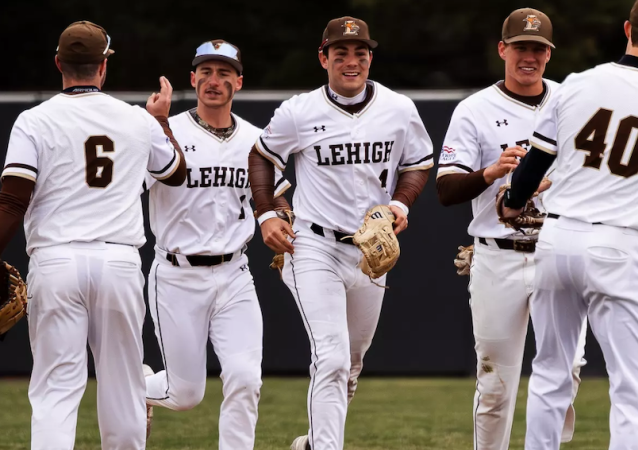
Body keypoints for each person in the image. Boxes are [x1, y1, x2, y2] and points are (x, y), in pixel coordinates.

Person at [497, 0, 638, 448]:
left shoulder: (576, 83)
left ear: (628, 29)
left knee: (550, 371)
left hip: (557, 237)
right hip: (618, 244)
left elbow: (534, 164)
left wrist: (513, 202)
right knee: (630, 385)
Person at [248, 16, 433, 450]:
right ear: (323, 58)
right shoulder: (299, 111)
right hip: (313, 244)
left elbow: (418, 163)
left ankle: (314, 442)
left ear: (370, 58)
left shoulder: (398, 108)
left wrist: (401, 204)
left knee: (350, 364)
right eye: (341, 53)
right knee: (330, 357)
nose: (351, 61)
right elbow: (261, 156)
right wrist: (267, 213)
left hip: (371, 250)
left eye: (360, 53)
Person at [0, 21, 186, 449]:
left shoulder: (33, 120)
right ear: (103, 66)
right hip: (118, 262)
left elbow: (12, 201)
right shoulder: (137, 119)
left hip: (56, 261)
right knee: (123, 388)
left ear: (58, 63)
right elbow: (175, 173)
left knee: (56, 390)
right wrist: (161, 121)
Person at [436, 8, 586, 449]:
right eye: (521, 47)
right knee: (495, 383)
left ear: (549, 54)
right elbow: (446, 189)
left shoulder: (572, 102)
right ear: (503, 49)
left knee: (568, 370)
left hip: (557, 252)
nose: (530, 57)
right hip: (498, 255)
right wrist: (489, 173)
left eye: (539, 48)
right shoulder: (475, 109)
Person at [142, 40, 290, 448]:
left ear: (238, 82)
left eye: (224, 73)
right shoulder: (166, 131)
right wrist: (156, 126)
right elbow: (129, 188)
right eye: (205, 72)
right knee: (184, 394)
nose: (214, 80)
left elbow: (276, 197)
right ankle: (137, 387)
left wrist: (282, 218)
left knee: (245, 378)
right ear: (193, 79)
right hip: (176, 275)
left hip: (234, 274)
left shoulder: (256, 139)